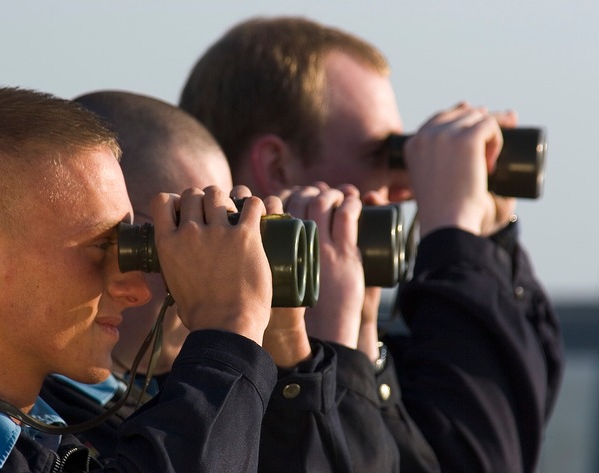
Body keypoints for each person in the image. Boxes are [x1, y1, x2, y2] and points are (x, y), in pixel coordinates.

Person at [179, 16, 564, 473]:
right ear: (278, 167)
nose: (403, 190)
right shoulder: (207, 376)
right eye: (380, 156)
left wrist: (489, 238)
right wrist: (454, 240)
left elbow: (504, 425)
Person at [42, 90, 435, 472]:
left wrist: (287, 345)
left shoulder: (184, 394)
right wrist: (229, 329)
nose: (221, 261)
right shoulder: (40, 426)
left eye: (226, 225)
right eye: (184, 231)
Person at [0, 85, 279, 472]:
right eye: (101, 247)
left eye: (130, 244)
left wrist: (281, 344)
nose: (135, 290)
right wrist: (228, 335)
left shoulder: (56, 435)